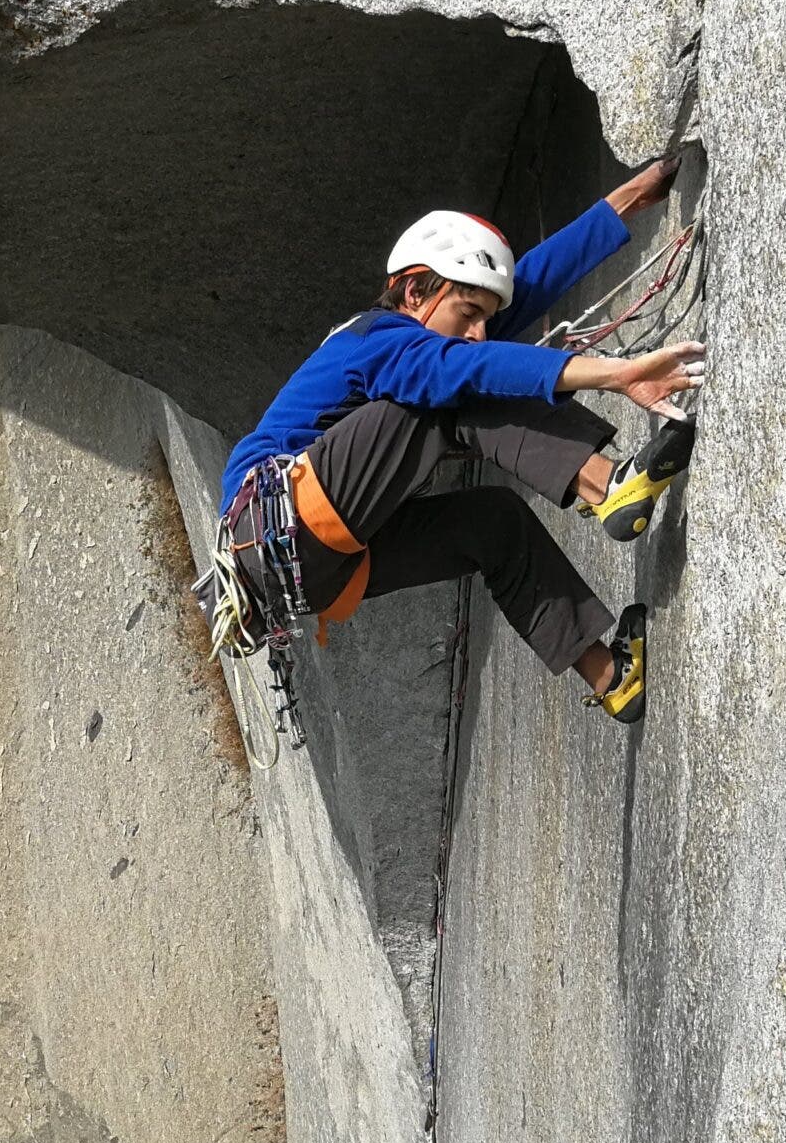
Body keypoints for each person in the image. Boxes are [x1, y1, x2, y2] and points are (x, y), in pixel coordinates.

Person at [217, 161, 700, 724]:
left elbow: (524, 288)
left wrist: (624, 202)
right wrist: (617, 373)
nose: (479, 331)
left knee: (493, 526)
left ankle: (613, 678)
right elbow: (459, 368)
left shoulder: (422, 338)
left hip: (308, 570)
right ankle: (607, 486)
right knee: (453, 381)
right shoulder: (377, 339)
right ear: (415, 288)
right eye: (468, 313)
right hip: (281, 516)